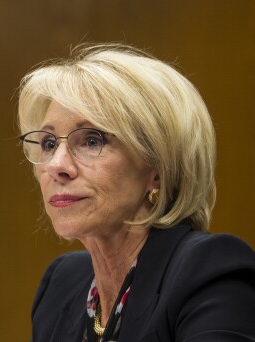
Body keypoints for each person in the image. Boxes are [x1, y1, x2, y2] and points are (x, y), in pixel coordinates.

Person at [18, 44, 255, 341]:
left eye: (91, 141)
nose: (56, 165)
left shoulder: (209, 272)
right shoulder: (61, 285)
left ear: (156, 167)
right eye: (49, 143)